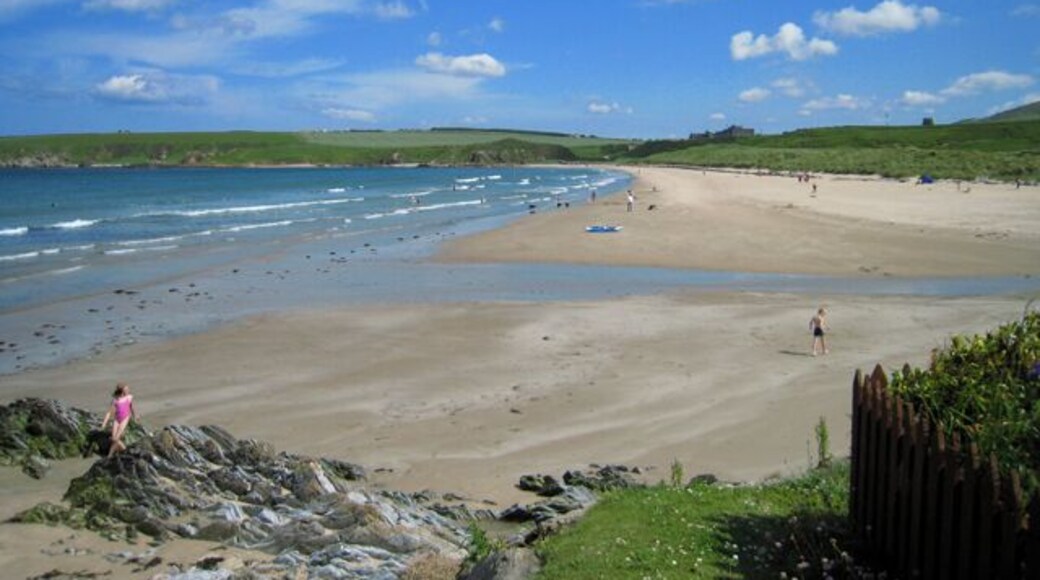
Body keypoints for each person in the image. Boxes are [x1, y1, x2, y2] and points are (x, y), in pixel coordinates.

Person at [100, 382, 137, 457]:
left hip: (125, 418)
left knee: (115, 439)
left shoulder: (129, 397)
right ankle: (119, 451)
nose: (128, 390)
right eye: (127, 389)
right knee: (114, 439)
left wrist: (135, 416)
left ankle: (113, 454)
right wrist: (103, 424)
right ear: (122, 391)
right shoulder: (115, 400)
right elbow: (109, 413)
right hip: (117, 419)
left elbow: (132, 408)